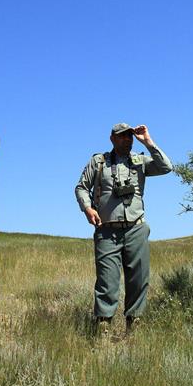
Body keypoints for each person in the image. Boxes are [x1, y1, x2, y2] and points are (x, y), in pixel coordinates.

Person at [74, 123, 173, 335]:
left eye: (129, 136)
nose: (127, 140)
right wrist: (88, 208)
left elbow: (166, 167)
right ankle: (103, 329)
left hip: (136, 229)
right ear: (112, 138)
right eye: (122, 136)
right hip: (107, 230)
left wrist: (148, 141)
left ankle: (133, 328)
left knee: (138, 279)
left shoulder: (140, 161)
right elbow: (82, 187)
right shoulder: (99, 162)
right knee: (107, 280)